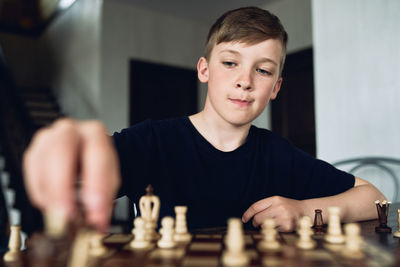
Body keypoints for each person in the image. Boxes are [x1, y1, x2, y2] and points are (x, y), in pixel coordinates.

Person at [23, 7, 384, 232]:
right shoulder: (152, 141)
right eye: (230, 63)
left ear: (275, 87)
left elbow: (373, 197)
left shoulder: (278, 153)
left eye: (263, 70)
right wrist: (69, 154)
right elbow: (75, 180)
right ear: (204, 69)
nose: (245, 80)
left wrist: (305, 209)